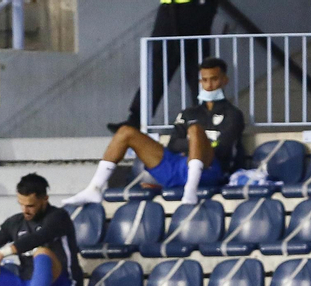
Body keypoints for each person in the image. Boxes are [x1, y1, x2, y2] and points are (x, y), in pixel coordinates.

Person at [71, 57, 244, 207]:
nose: (209, 85)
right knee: (126, 132)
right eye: (204, 80)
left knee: (195, 129)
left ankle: (189, 193)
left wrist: (196, 141)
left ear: (224, 80)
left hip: (209, 170)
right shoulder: (189, 113)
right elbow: (173, 144)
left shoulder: (233, 114)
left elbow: (223, 149)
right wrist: (195, 144)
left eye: (213, 80)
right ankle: (93, 188)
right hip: (177, 165)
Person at [110, 0, 221, 133]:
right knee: (156, 69)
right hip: (168, 8)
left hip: (195, 7)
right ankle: (136, 120)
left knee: (197, 69)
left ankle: (208, 118)